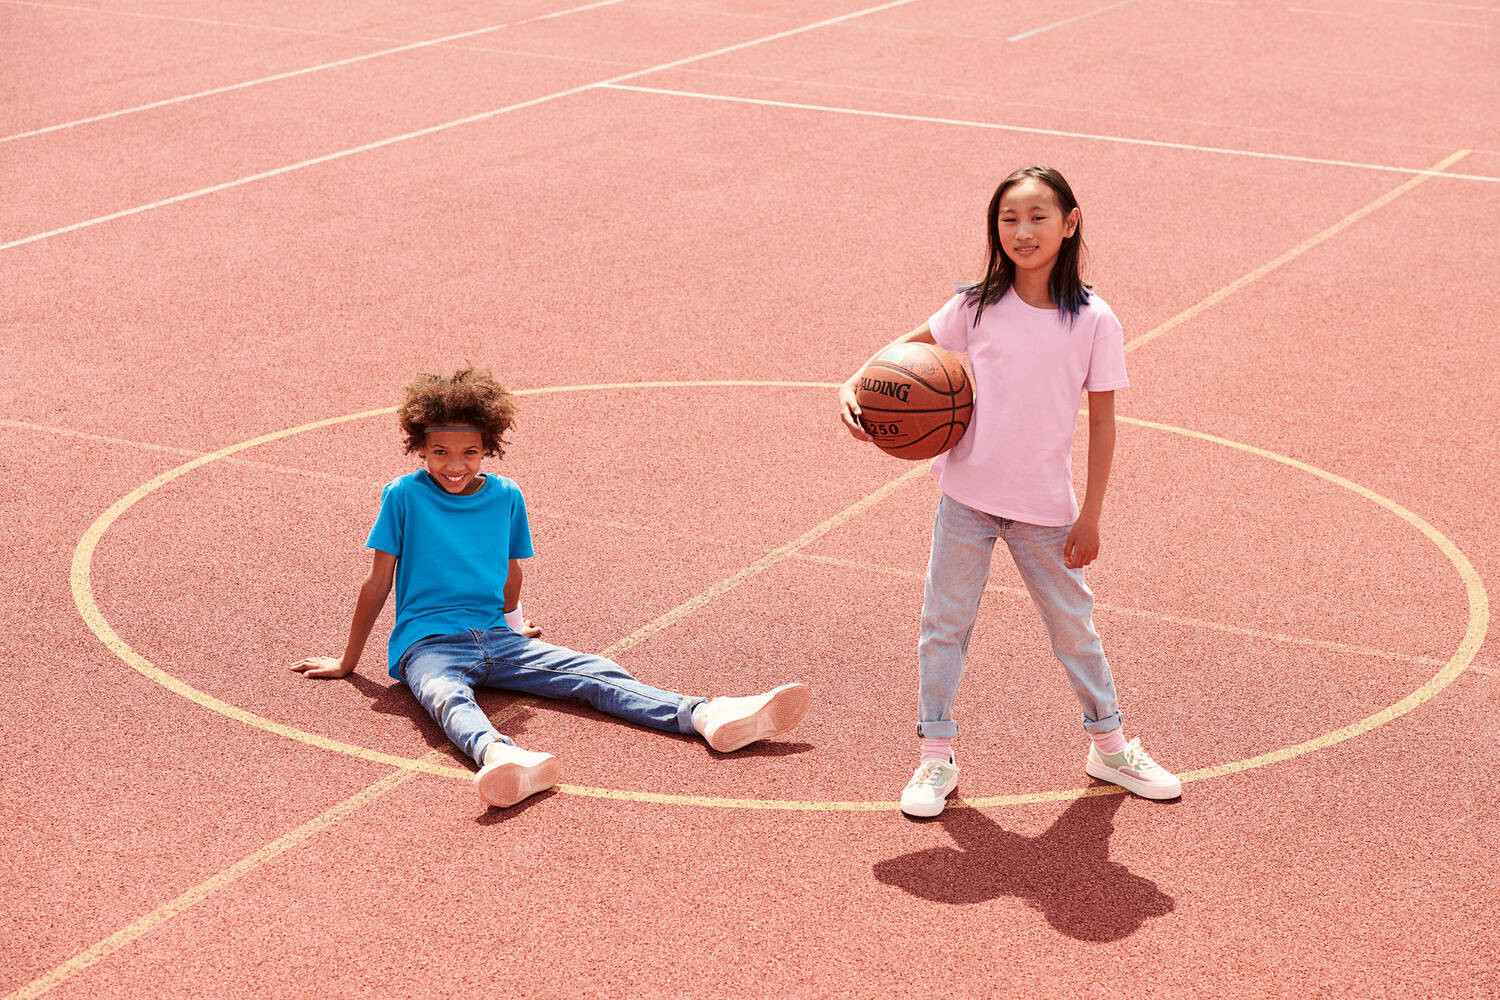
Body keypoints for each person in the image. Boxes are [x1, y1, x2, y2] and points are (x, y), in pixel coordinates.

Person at [294, 367, 811, 808]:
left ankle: (706, 715)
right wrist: (347, 661)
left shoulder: (506, 495)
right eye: (440, 451)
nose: (455, 465)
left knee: (594, 672)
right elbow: (377, 582)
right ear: (419, 447)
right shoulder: (403, 496)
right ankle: (502, 756)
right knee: (446, 697)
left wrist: (513, 626)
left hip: (498, 637)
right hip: (427, 644)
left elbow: (511, 570)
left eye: (470, 452)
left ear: (488, 446)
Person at [838, 166, 1179, 817]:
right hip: (966, 499)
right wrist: (852, 384)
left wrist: (1091, 515)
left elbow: (1103, 424)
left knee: (1074, 631)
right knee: (943, 626)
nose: (1022, 231)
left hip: (1046, 511)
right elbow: (903, 350)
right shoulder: (977, 304)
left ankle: (1109, 746)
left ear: (1070, 223)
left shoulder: (1095, 320)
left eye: (1037, 217)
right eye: (1008, 219)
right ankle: (935, 757)